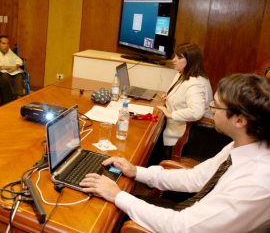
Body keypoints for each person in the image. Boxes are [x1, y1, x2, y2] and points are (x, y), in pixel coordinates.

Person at [80, 73, 270, 232]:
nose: (210, 109)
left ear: (240, 120)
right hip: (192, 217)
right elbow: (195, 178)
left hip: (183, 225)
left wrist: (118, 195)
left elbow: (181, 227)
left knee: (97, 218)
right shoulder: (244, 144)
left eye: (216, 105)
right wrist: (136, 171)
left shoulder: (256, 182)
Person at [157, 43, 212, 158]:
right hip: (172, 127)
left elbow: (196, 112)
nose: (174, 60)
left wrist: (171, 114)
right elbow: (182, 96)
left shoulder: (195, 83)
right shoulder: (182, 75)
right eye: (175, 56)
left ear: (190, 60)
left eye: (179, 57)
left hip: (182, 135)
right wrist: (169, 98)